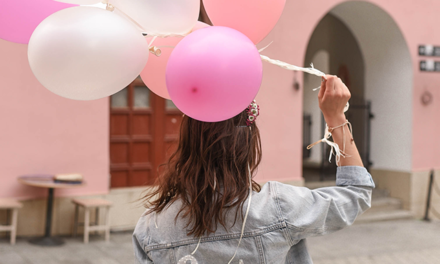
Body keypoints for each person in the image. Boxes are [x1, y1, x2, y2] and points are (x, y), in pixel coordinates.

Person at [133, 76, 375, 264]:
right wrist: (335, 116)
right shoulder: (278, 207)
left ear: (187, 143)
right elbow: (356, 192)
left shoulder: (150, 229)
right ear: (245, 145)